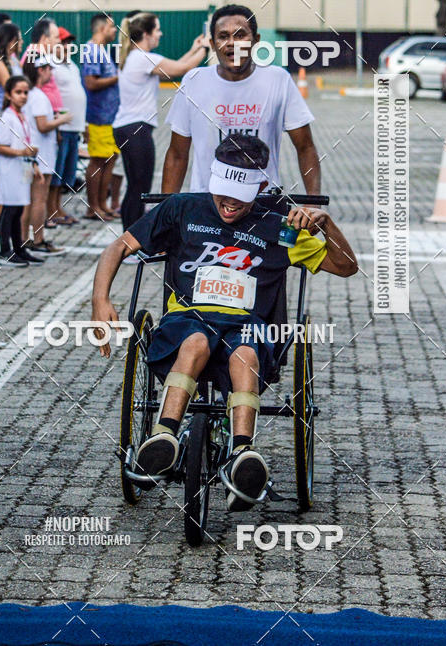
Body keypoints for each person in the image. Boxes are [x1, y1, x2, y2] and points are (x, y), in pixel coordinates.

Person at [92, 133, 357, 508]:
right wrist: (99, 299)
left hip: (248, 327)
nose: (230, 202)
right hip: (187, 319)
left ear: (261, 186)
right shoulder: (183, 208)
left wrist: (327, 224)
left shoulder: (281, 224)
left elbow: (347, 267)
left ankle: (242, 453)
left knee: (246, 353)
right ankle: (163, 436)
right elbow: (119, 246)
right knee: (196, 342)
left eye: (242, 194)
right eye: (223, 192)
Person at [162, 4, 321, 196]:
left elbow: (305, 147)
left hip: (262, 204)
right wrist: (166, 211)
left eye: (240, 35)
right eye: (223, 36)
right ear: (213, 45)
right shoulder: (194, 81)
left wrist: (313, 202)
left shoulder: (278, 80)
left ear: (256, 41)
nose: (231, 43)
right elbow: (177, 155)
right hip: (207, 203)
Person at [112, 12, 207, 231]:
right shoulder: (142, 58)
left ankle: (129, 237)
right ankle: (131, 240)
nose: (161, 34)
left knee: (136, 185)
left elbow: (175, 65)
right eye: (157, 29)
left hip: (129, 127)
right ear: (146, 34)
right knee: (139, 187)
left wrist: (195, 48)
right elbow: (182, 70)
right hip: (135, 129)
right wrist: (206, 48)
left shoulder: (136, 57)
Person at [21, 57, 70, 256]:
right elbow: (42, 125)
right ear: (40, 70)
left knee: (27, 199)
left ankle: (24, 239)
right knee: (39, 199)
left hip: (31, 154)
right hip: (41, 155)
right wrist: (63, 120)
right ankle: (38, 240)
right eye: (49, 68)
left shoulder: (28, 94)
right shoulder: (38, 96)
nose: (51, 72)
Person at [0, 75, 44, 267]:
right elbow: (0, 146)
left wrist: (33, 162)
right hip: (9, 171)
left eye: (25, 92)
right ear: (8, 94)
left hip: (21, 168)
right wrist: (21, 152)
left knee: (20, 208)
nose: (23, 96)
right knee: (10, 209)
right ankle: (5, 250)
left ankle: (19, 248)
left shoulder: (21, 116)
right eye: (18, 92)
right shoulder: (7, 117)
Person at [80, 13, 120, 220]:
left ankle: (102, 204)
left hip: (109, 116)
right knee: (98, 161)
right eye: (113, 27)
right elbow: (91, 83)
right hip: (98, 116)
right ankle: (92, 206)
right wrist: (116, 78)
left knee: (109, 159)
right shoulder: (93, 51)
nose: (115, 31)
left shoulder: (102, 51)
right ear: (102, 28)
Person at [49, 26, 87, 226]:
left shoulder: (71, 65)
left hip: (75, 126)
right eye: (62, 43)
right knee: (56, 172)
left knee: (66, 173)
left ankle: (58, 206)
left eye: (69, 43)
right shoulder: (51, 66)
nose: (67, 47)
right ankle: (51, 208)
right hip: (61, 126)